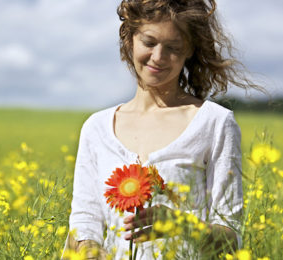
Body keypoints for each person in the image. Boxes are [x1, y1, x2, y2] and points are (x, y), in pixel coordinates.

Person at [64, 0, 260, 259]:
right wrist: (90, 251)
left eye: (173, 48)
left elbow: (231, 239)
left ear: (189, 50)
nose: (158, 57)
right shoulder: (96, 128)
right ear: (130, 38)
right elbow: (83, 224)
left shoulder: (215, 123)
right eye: (149, 42)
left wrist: (183, 225)